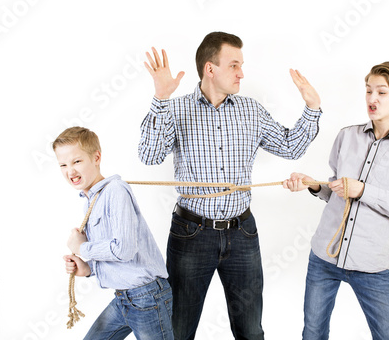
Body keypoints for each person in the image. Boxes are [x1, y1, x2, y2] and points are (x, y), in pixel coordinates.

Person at [138, 31, 322, 340]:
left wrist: (312, 108)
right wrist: (160, 99)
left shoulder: (251, 110)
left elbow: (290, 147)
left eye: (242, 65)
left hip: (242, 234)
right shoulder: (175, 109)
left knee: (251, 330)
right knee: (178, 330)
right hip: (191, 234)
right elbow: (149, 156)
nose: (241, 73)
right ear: (210, 68)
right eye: (234, 65)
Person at [283, 61, 389, 340]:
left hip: (371, 266)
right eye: (368, 91)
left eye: (382, 92)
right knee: (312, 333)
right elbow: (336, 193)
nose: (372, 99)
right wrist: (314, 185)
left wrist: (363, 190)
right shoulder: (346, 136)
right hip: (323, 258)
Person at [54, 126, 173, 340]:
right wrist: (88, 269)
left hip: (146, 297)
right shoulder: (92, 199)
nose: (70, 171)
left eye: (77, 161)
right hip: (124, 297)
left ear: (96, 157)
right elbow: (118, 260)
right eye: (63, 164)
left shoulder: (115, 191)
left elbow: (124, 250)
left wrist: (82, 247)